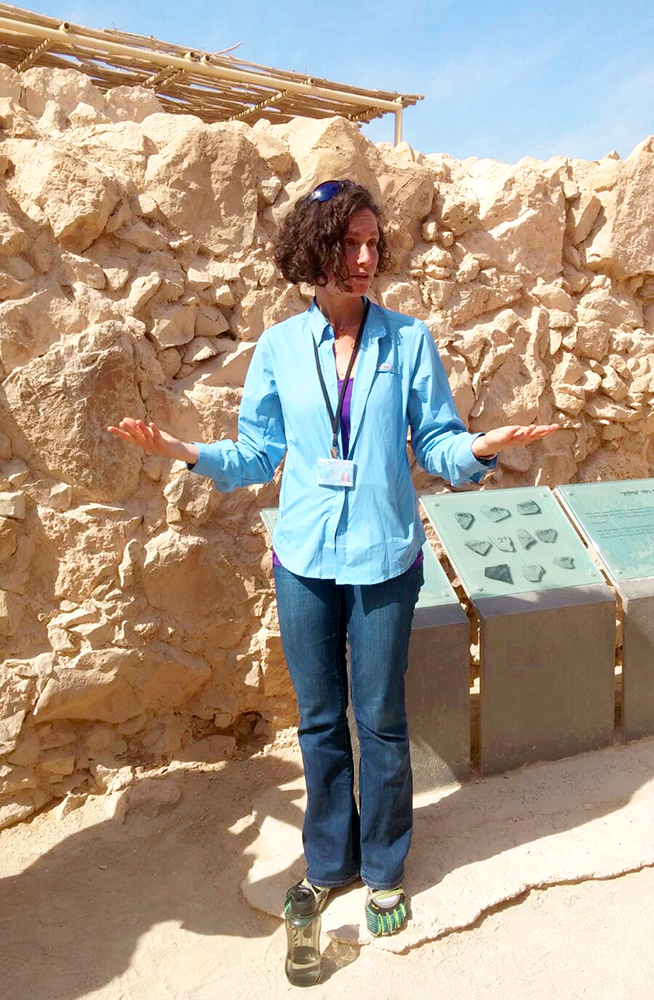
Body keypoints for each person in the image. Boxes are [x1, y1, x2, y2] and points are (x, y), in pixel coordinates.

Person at [108, 179, 558, 936]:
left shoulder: (408, 340)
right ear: (314, 247)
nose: (365, 257)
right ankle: (328, 863)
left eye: (374, 243)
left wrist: (478, 448)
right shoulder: (280, 347)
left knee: (379, 718)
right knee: (319, 720)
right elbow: (258, 453)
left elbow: (439, 442)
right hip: (306, 557)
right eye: (350, 243)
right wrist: (184, 451)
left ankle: (384, 867)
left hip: (385, 556)